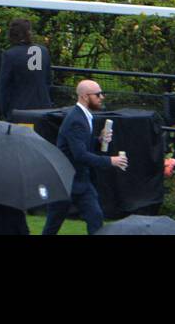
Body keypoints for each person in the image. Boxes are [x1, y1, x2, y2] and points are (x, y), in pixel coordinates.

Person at [42, 80, 128, 236]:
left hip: (80, 181)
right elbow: (80, 155)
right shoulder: (76, 120)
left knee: (95, 219)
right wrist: (111, 161)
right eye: (98, 94)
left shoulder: (84, 116)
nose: (101, 97)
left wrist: (99, 141)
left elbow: (81, 146)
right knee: (52, 225)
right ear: (85, 97)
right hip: (66, 182)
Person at [0, 18, 52, 120]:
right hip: (43, 107)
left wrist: (5, 110)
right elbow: (48, 80)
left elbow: (4, 87)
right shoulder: (43, 51)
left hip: (20, 109)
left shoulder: (10, 54)